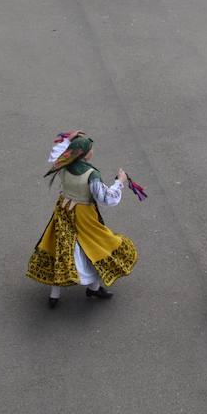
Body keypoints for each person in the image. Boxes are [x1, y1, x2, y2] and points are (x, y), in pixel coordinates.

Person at [27, 131, 138, 307]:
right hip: (84, 216)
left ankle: (55, 295)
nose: (92, 152)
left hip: (63, 210)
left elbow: (60, 152)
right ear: (85, 154)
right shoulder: (91, 174)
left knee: (61, 246)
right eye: (90, 149)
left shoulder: (62, 164)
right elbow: (106, 198)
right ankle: (93, 288)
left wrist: (70, 139)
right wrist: (120, 182)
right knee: (93, 246)